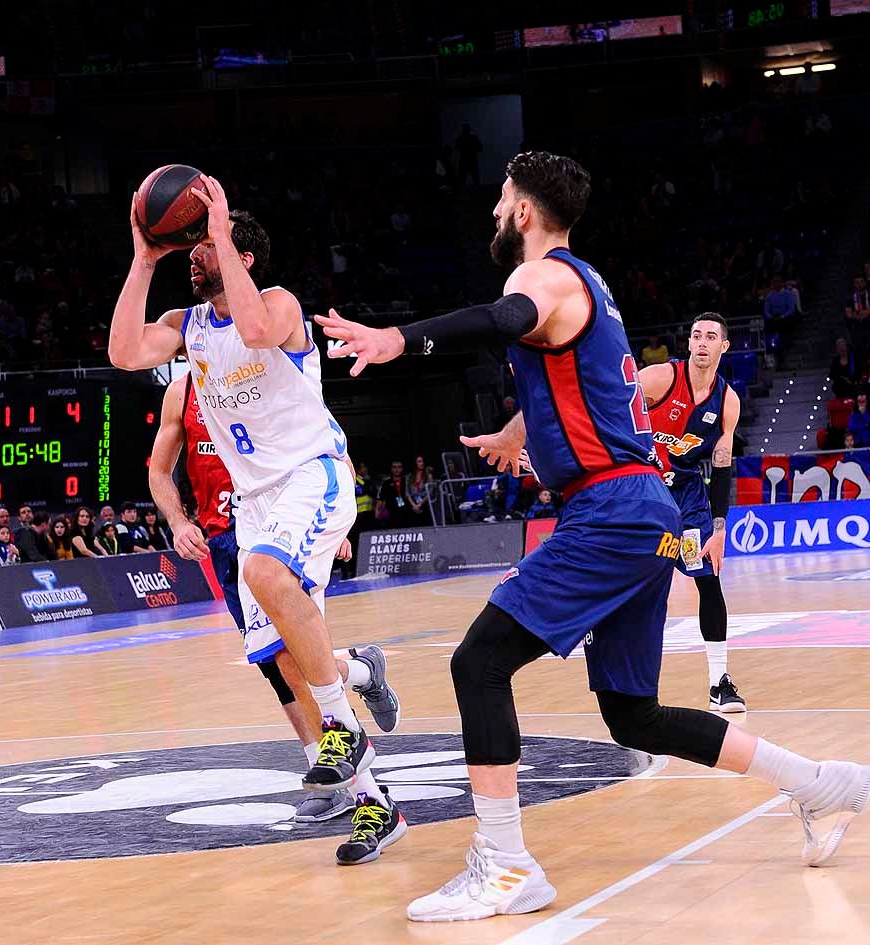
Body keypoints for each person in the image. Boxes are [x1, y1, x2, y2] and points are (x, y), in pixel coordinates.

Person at [315, 151, 869, 921]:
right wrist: (519, 428)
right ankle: (819, 782)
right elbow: (584, 382)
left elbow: (504, 320)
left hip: (609, 510)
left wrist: (401, 339)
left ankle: (506, 866)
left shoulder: (534, 278)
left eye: (503, 199)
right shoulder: (589, 286)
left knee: (478, 662)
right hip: (642, 508)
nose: (494, 212)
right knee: (631, 714)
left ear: (527, 212)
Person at [110, 179, 405, 866]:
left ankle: (343, 716)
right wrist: (143, 258)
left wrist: (219, 226)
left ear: (240, 253)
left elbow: (254, 330)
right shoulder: (188, 325)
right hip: (257, 505)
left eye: (206, 246)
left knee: (264, 572)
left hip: (311, 475)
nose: (195, 254)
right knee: (290, 661)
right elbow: (125, 352)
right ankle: (373, 783)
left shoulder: (278, 304)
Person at [150, 376, 399, 823]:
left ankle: (346, 783)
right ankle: (361, 671)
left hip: (284, 520)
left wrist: (336, 525)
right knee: (277, 664)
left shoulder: (264, 374)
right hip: (226, 537)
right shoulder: (182, 391)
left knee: (292, 659)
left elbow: (332, 445)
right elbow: (158, 469)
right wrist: (177, 520)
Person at [640, 312, 746, 712]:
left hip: (686, 499)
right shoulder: (659, 378)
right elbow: (609, 404)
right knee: (641, 584)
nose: (702, 341)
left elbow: (721, 465)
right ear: (688, 344)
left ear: (724, 346)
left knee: (709, 580)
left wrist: (719, 528)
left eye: (711, 336)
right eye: (696, 335)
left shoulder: (727, 402)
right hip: (642, 493)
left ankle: (720, 681)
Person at [376, 460, 409, 527]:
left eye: (399, 467)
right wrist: (377, 511)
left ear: (402, 469)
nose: (396, 469)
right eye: (394, 467)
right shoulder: (386, 483)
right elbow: (381, 498)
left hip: (406, 512)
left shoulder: (406, 481)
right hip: (391, 513)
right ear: (391, 469)